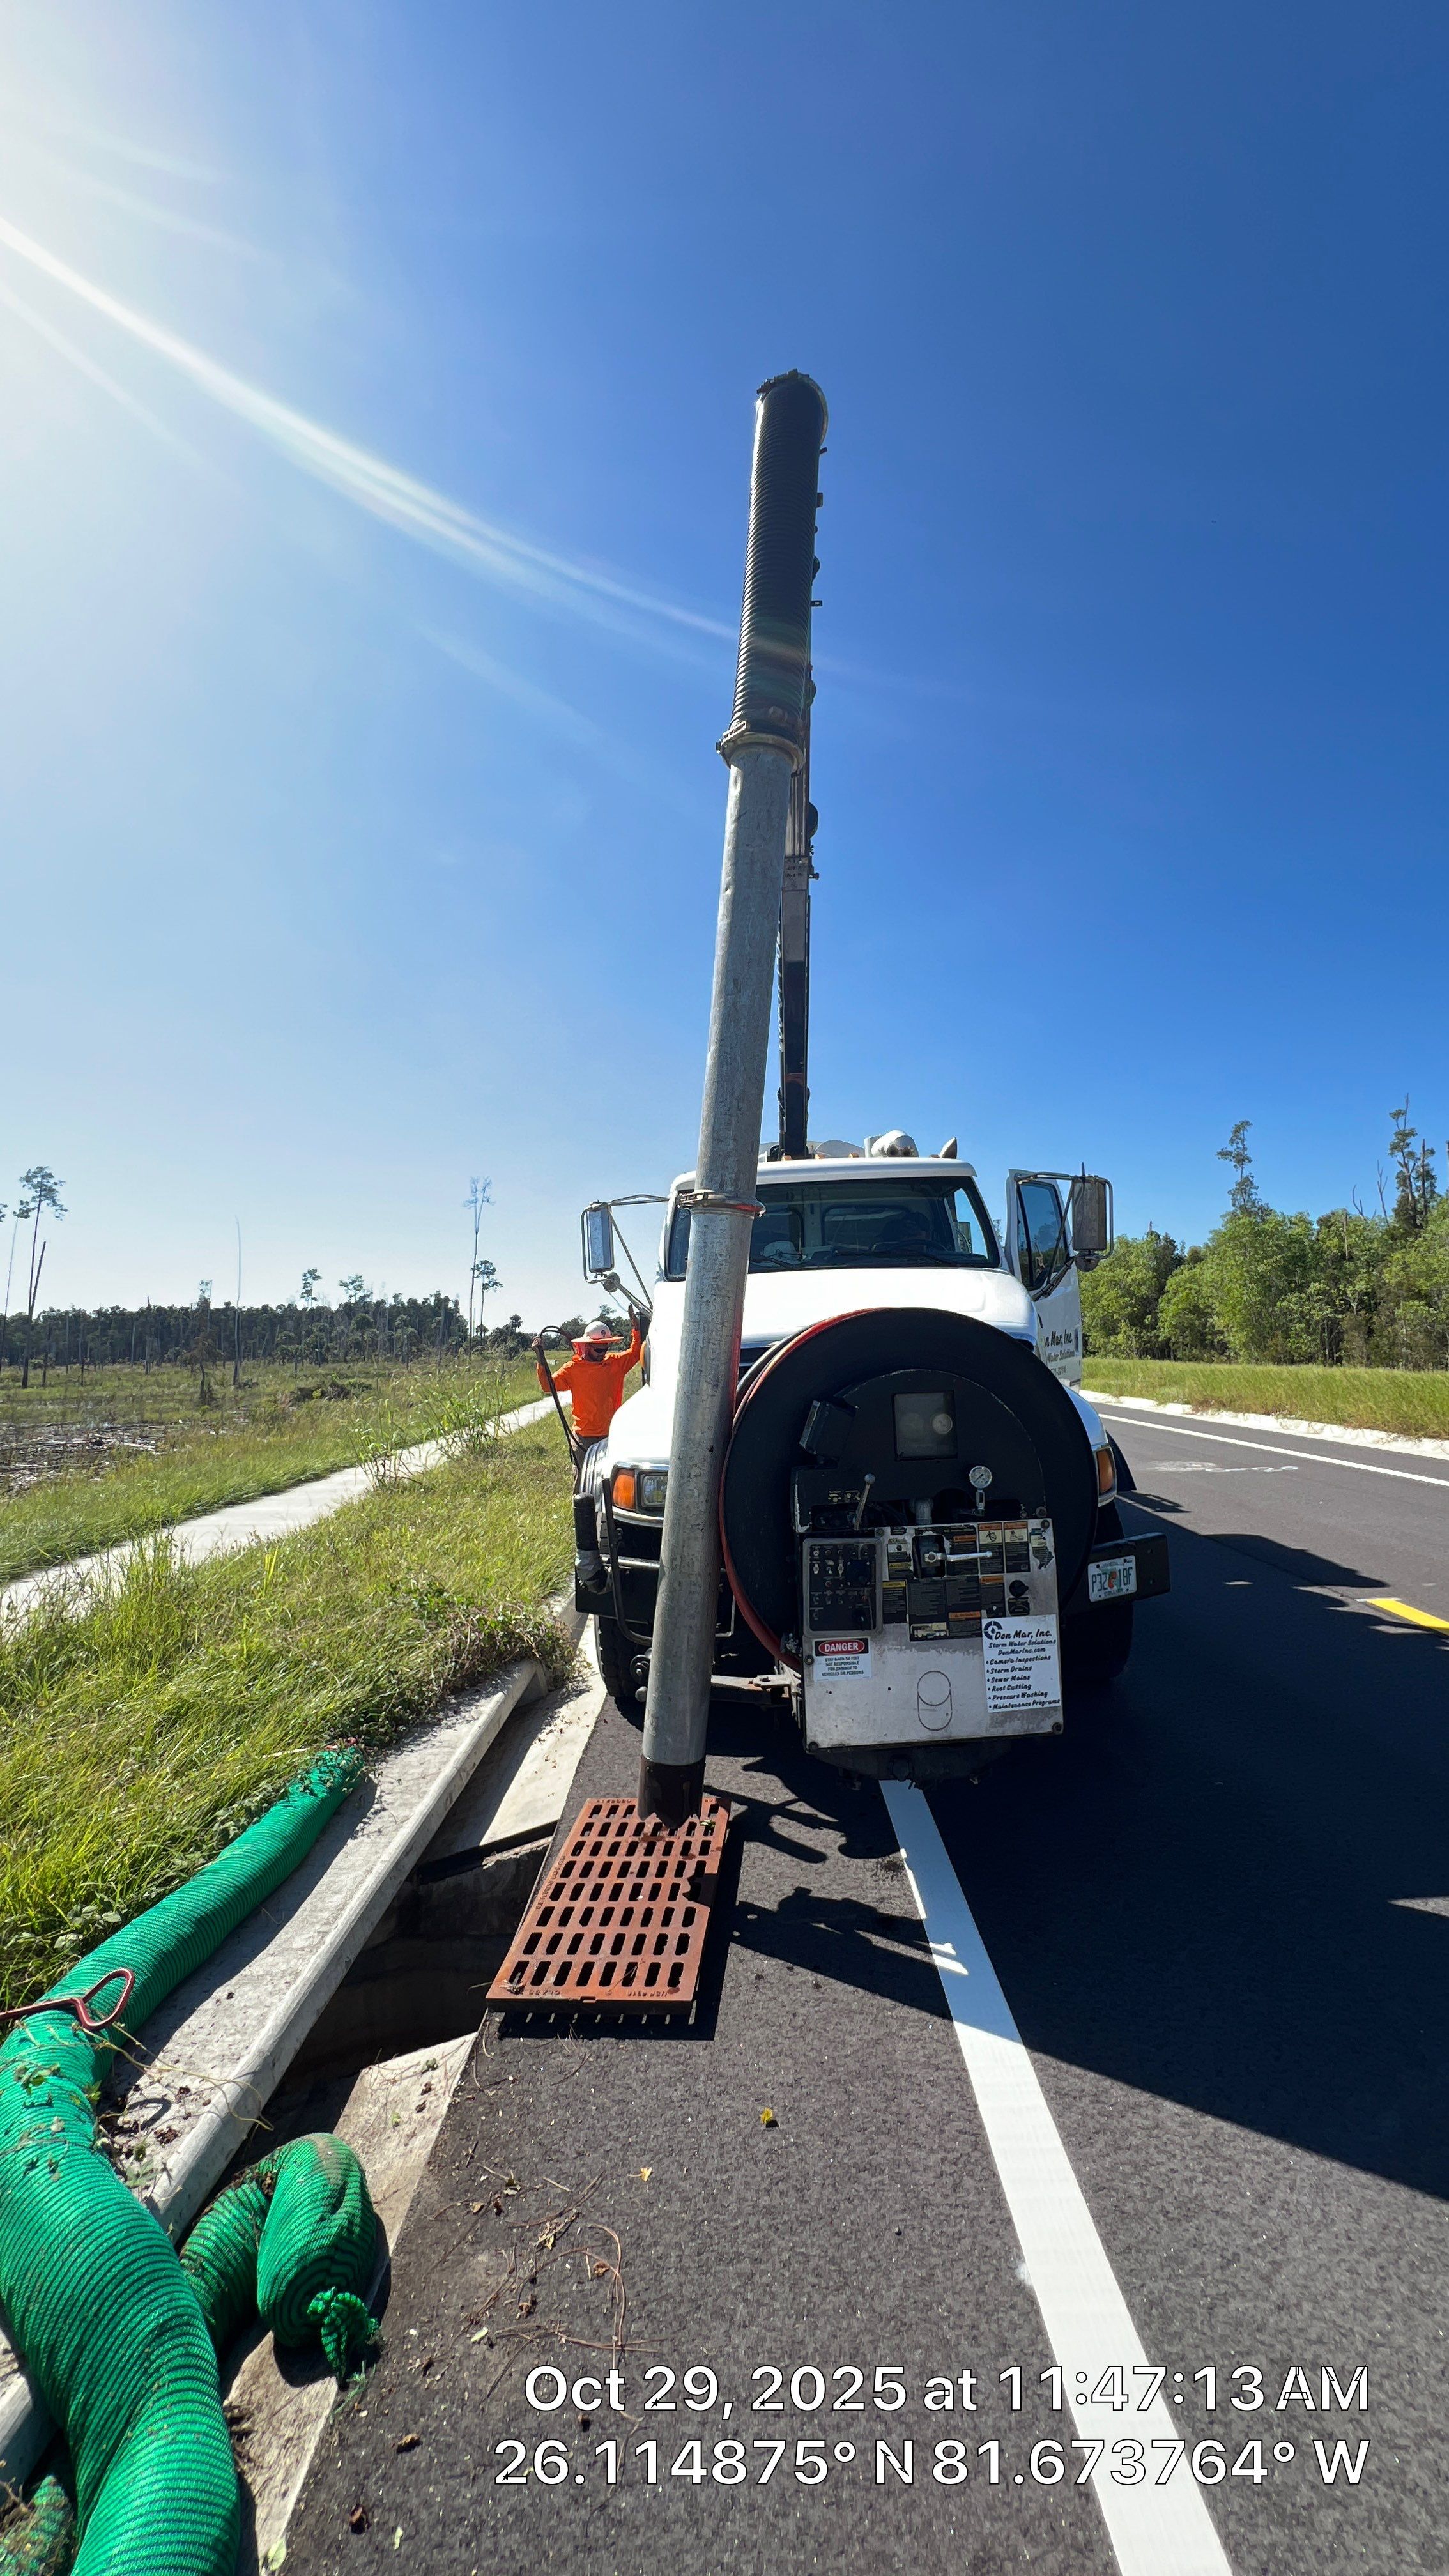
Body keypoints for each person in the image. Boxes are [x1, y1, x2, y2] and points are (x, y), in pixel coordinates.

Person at [535, 1314, 645, 1454]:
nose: (602, 1353)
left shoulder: (615, 1363)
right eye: (598, 1349)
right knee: (582, 1475)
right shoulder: (573, 1369)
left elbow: (636, 1353)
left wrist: (637, 1329)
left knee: (609, 1475)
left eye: (605, 1349)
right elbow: (548, 1386)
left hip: (610, 1434)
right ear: (586, 1346)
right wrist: (540, 1358)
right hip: (584, 1437)